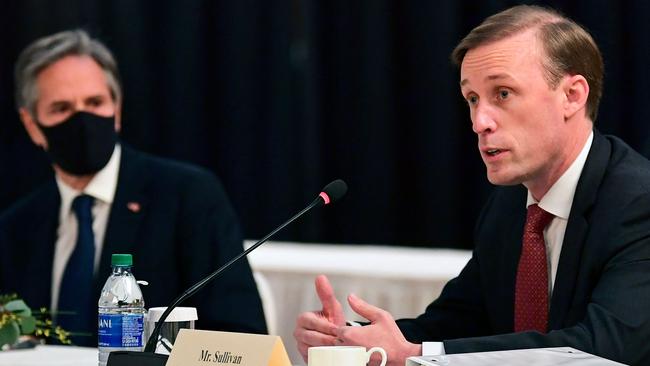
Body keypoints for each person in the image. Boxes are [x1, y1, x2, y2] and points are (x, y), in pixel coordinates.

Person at [294, 5, 650, 366]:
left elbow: (605, 348)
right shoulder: (508, 208)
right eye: (473, 99)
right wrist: (351, 338)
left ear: (572, 96)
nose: (480, 122)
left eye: (504, 94)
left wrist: (415, 356)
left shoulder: (638, 203)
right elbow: (454, 324)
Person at [0, 29, 267, 345]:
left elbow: (240, 335)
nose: (82, 121)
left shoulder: (188, 198)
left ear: (117, 110)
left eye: (95, 102)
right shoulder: (17, 227)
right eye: (62, 109)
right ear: (32, 125)